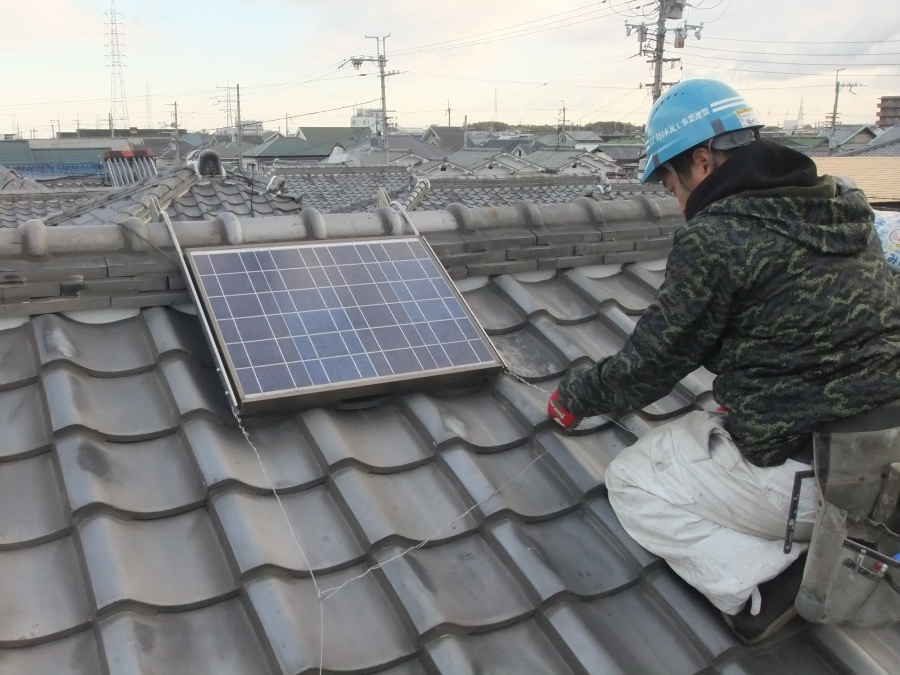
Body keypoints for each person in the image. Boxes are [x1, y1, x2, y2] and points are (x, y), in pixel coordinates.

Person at [548, 78, 900, 643]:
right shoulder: (843, 205)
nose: (676, 201)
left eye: (671, 183)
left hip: (822, 488)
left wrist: (574, 396)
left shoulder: (718, 237)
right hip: (891, 466)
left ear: (703, 162)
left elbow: (651, 365)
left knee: (634, 478)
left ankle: (767, 585)